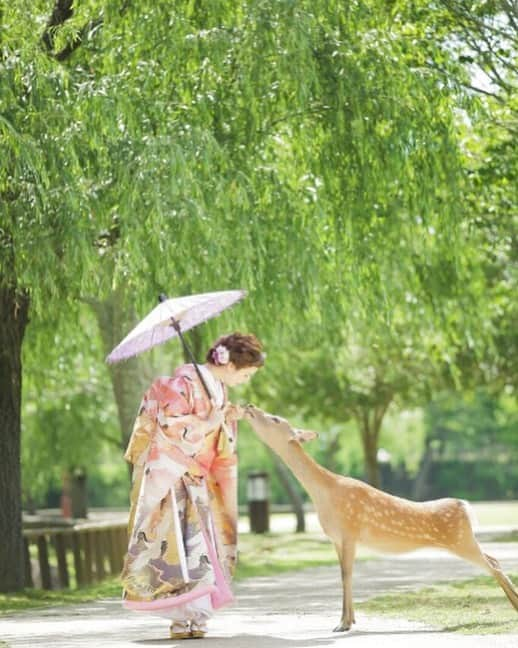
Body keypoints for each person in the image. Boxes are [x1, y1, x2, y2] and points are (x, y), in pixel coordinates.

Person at [121, 332, 264, 639]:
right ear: (230, 364)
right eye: (247, 373)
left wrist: (226, 418)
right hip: (175, 478)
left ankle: (198, 614)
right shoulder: (181, 384)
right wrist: (210, 423)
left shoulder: (218, 389)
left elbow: (217, 432)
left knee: (203, 549)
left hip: (201, 478)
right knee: (177, 549)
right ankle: (178, 617)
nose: (245, 380)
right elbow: (169, 425)